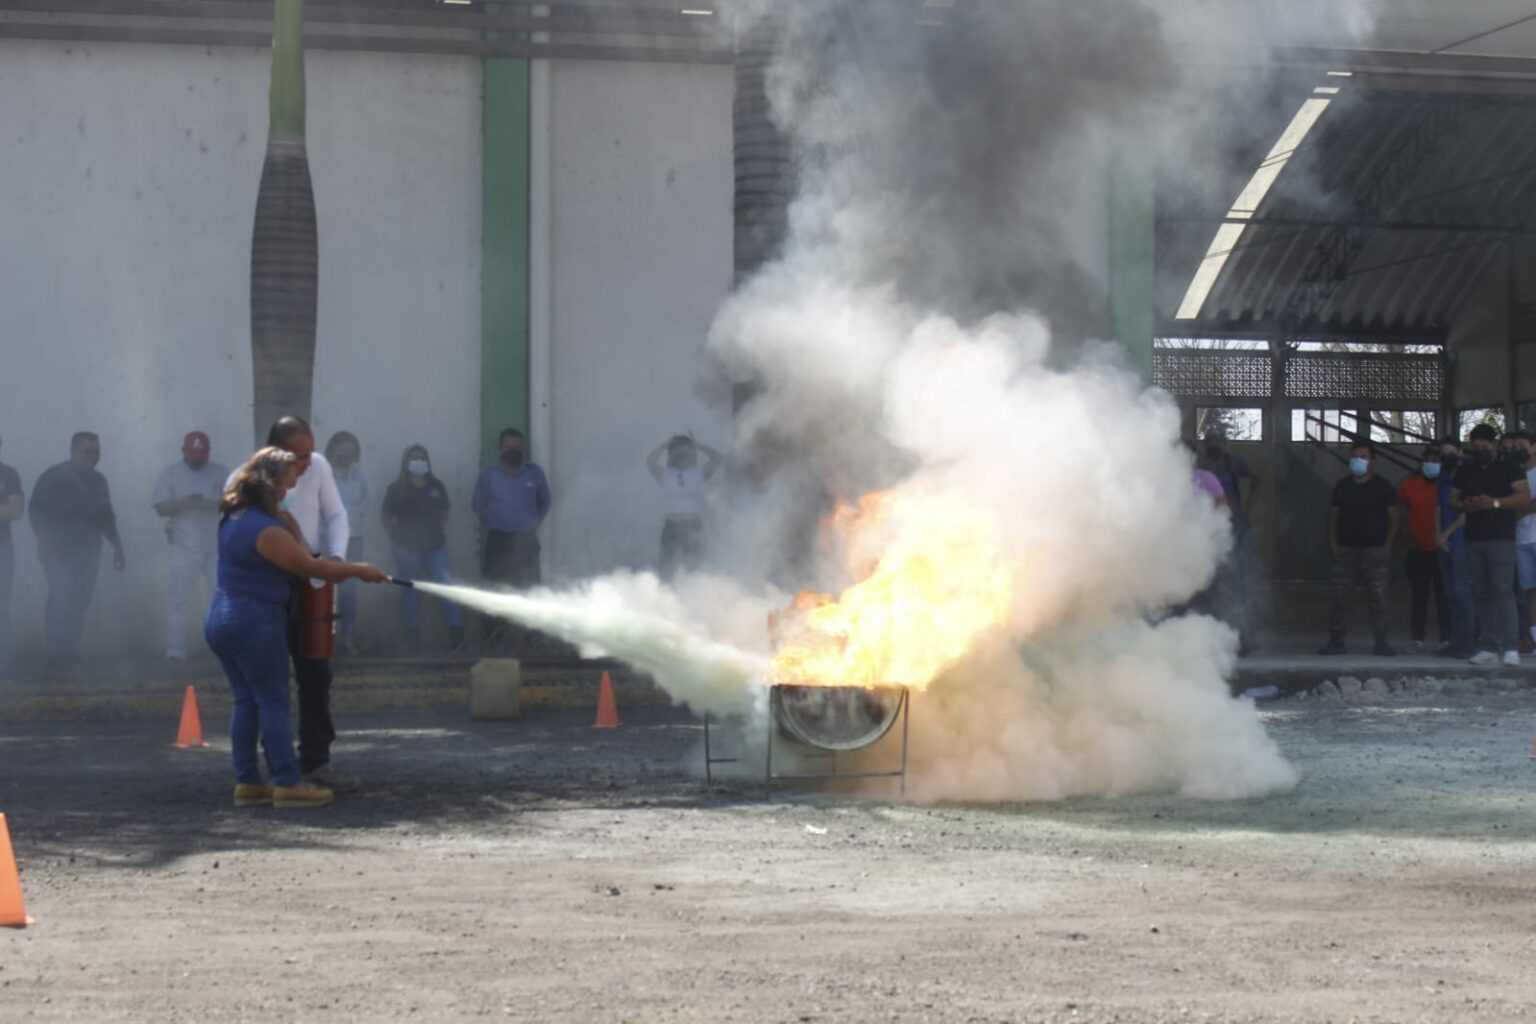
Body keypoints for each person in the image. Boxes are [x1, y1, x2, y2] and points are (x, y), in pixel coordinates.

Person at [207, 447, 387, 809]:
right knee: (273, 701)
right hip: (254, 619)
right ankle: (288, 783)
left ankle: (248, 782)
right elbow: (311, 568)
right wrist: (359, 570)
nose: (289, 491)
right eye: (287, 485)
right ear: (271, 484)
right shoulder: (266, 531)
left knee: (247, 700)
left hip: (222, 617)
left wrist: (286, 518)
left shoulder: (236, 516)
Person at [259, 417, 356, 791]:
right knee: (272, 681)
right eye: (298, 456)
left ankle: (317, 762)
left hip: (314, 583)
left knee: (317, 674)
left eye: (309, 452)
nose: (307, 462)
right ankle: (278, 768)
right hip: (270, 588)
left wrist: (335, 556)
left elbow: (336, 514)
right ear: (274, 451)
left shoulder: (318, 467)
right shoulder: (248, 480)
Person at [28, 432, 125, 672]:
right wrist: (46, 540)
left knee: (81, 602)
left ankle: (70, 653)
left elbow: (106, 515)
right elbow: (34, 512)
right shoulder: (53, 477)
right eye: (87, 451)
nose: (93, 456)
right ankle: (53, 656)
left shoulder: (99, 480)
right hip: (59, 552)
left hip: (89, 550)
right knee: (60, 599)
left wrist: (117, 546)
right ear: (73, 450)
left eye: (96, 452)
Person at [1451, 423, 1530, 668]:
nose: (1481, 450)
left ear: (1494, 446)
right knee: (1480, 592)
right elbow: (1453, 499)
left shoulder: (1509, 467)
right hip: (1474, 538)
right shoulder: (1467, 469)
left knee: (1503, 590)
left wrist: (1495, 503)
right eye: (1476, 447)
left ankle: (1510, 646)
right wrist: (1467, 504)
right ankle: (1487, 644)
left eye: (1485, 446)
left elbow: (1524, 497)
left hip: (1501, 538)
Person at [152, 431, 228, 661]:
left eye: (201, 455)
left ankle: (222, 649)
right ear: (184, 451)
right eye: (193, 455)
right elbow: (160, 507)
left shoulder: (221, 472)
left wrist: (208, 504)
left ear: (208, 453)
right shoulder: (171, 474)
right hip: (184, 545)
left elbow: (233, 503)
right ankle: (176, 650)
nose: (198, 459)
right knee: (178, 599)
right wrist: (184, 503)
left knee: (221, 599)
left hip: (215, 546)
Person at [473, 428, 550, 651]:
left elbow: (545, 502)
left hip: (526, 541)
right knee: (494, 589)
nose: (513, 451)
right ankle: (494, 641)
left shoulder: (534, 473)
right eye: (508, 447)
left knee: (529, 590)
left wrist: (533, 522)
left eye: (517, 447)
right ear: (500, 449)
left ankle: (529, 642)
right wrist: (493, 521)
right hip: (498, 540)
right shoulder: (488, 474)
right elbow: (478, 504)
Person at [381, 444, 464, 653]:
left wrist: (433, 531)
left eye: (422, 458)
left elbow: (445, 512)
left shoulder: (437, 486)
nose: (419, 461)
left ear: (428, 462)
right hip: (406, 549)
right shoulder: (396, 489)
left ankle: (457, 636)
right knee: (410, 592)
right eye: (414, 458)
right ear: (406, 463)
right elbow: (385, 517)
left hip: (435, 546)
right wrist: (396, 538)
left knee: (447, 588)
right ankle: (413, 639)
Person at [1319, 442, 1398, 657]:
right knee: (1339, 597)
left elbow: (1394, 518)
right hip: (1345, 550)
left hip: (1374, 550)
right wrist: (1334, 544)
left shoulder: (1383, 486)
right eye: (1355, 456)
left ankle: (1381, 642)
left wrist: (1387, 546)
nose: (1358, 460)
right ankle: (1336, 640)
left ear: (1373, 460)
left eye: (1363, 456)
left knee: (1379, 597)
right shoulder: (1342, 486)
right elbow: (1333, 517)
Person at [1196, 427, 1258, 652]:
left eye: (1218, 440)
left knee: (1237, 582)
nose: (1213, 444)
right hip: (1206, 535)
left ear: (1225, 443)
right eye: (1209, 440)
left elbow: (1257, 477)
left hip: (1236, 528)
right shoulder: (1200, 467)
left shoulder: (1234, 463)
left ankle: (1244, 638)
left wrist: (1247, 506)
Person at [646, 434, 723, 579]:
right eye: (678, 452)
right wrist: (665, 444)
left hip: (693, 525)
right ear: (671, 454)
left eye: (685, 452)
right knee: (666, 569)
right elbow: (650, 461)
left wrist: (698, 445)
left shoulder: (698, 473)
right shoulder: (665, 474)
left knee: (695, 568)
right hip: (671, 527)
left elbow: (718, 458)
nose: (682, 455)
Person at [1396, 444, 1449, 652]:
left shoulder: (1449, 485)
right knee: (1419, 596)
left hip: (1443, 549)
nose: (1431, 464)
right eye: (1428, 460)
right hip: (1417, 549)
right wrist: (1402, 535)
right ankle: (1417, 637)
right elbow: (1396, 509)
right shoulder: (1409, 485)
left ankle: (1447, 636)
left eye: (1436, 461)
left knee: (1444, 595)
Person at [324, 431, 369, 656]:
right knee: (326, 592)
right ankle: (326, 639)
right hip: (328, 541)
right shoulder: (324, 476)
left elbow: (364, 503)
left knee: (349, 593)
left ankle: (347, 638)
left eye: (350, 449)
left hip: (354, 540)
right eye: (342, 448)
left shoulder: (358, 476)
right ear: (332, 450)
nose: (346, 453)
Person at [0, 431, 23, 681]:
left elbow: (16, 510)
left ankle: (2, 665)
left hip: (1, 549)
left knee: (0, 607)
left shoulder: (8, 474)